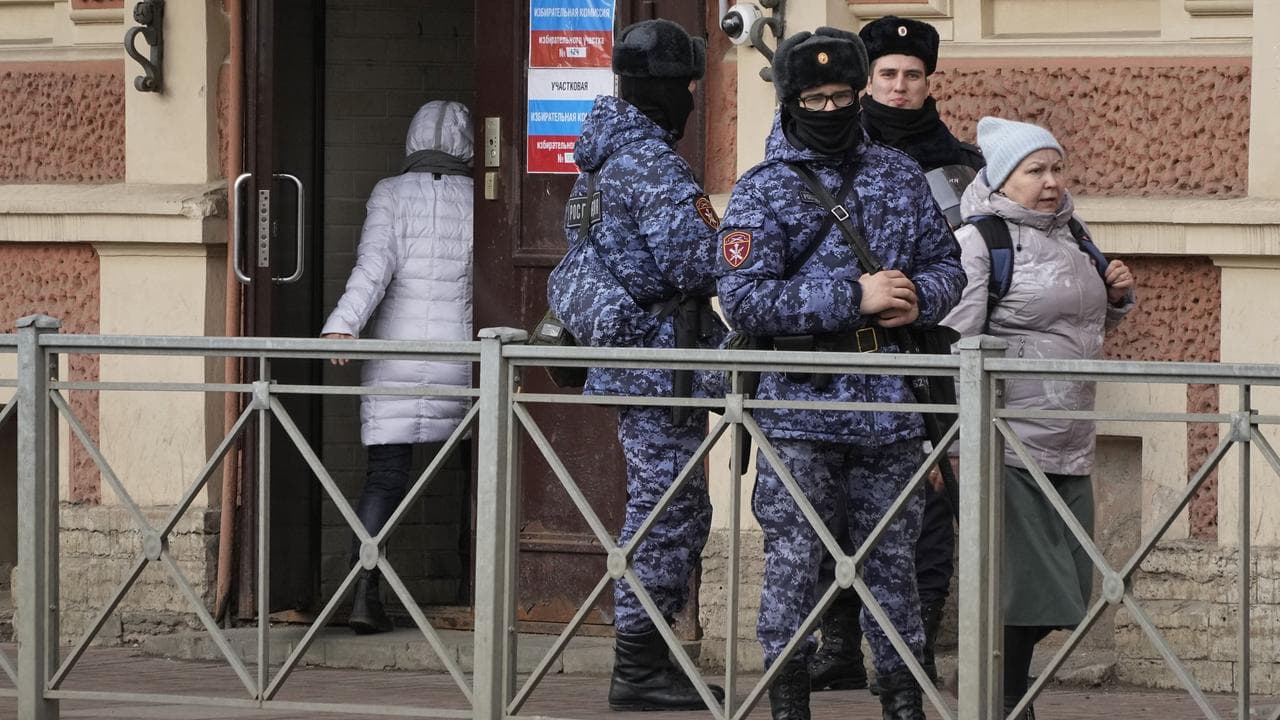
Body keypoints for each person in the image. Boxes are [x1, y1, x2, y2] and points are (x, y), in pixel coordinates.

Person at [716, 27, 966, 720]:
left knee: (895, 567)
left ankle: (902, 700)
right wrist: (852, 296)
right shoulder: (763, 190)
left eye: (842, 97)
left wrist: (921, 294)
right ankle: (788, 699)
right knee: (796, 564)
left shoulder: (896, 173)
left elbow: (950, 266)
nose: (830, 110)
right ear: (793, 102)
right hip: (799, 411)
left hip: (889, 406)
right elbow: (742, 298)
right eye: (816, 98)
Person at [547, 19, 727, 712]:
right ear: (662, 90)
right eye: (685, 85)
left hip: (638, 361)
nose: (689, 97)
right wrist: (746, 248)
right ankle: (639, 667)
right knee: (667, 511)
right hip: (661, 363)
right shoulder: (649, 162)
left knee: (668, 506)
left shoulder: (600, 159)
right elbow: (692, 259)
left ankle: (650, 661)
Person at [939, 116, 1136, 718]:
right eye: (1034, 171)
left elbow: (1078, 330)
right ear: (1002, 179)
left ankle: (994, 688)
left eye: (1056, 168)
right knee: (1028, 586)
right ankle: (1002, 698)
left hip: (1070, 435)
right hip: (1007, 439)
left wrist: (1118, 298)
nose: (1050, 182)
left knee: (1073, 584)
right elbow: (955, 343)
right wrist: (945, 441)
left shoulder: (1073, 233)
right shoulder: (981, 242)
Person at [809, 15, 983, 694]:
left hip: (930, 350)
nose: (901, 87)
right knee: (835, 499)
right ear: (866, 81)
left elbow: (965, 261)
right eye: (887, 75)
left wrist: (927, 301)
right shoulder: (826, 153)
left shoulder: (964, 165)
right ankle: (839, 645)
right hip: (842, 347)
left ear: (928, 81)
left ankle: (915, 653)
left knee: (929, 503)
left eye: (913, 76)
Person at [320, 100, 474, 635]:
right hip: (463, 360)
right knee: (476, 474)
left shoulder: (390, 193)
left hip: (393, 359)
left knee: (386, 477)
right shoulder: (482, 198)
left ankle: (365, 592)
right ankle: (474, 588)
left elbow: (373, 267)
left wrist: (344, 324)